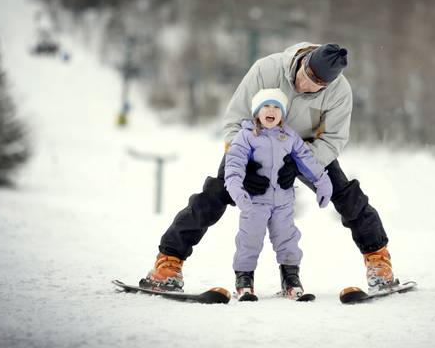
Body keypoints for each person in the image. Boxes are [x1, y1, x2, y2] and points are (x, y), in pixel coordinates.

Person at [140, 42, 398, 293]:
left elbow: (333, 140)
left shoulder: (340, 92)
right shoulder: (267, 70)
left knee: (345, 193)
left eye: (317, 85)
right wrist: (245, 163)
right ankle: (168, 262)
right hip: (254, 143)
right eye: (305, 76)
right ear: (303, 61)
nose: (305, 85)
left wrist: (298, 162)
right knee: (215, 194)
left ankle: (378, 260)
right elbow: (233, 120)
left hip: (304, 150)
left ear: (328, 84)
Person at [225, 88, 332, 300]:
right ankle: (244, 280)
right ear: (256, 112)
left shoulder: (289, 135)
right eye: (266, 106)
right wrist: (236, 188)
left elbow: (306, 159)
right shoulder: (246, 136)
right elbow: (234, 164)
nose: (271, 111)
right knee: (250, 239)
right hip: (254, 201)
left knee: (288, 239)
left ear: (282, 114)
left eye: (276, 107)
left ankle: (290, 279)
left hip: (282, 200)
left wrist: (322, 181)